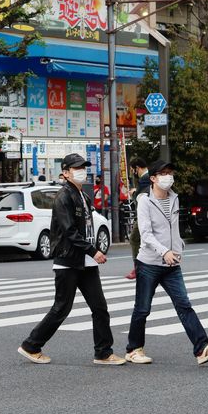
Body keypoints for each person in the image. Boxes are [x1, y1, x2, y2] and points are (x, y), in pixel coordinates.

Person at [18, 153, 124, 366]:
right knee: (61, 308)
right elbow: (69, 231)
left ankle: (103, 352)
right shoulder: (63, 197)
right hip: (69, 261)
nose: (81, 171)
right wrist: (93, 251)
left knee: (99, 307)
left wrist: (91, 253)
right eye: (76, 168)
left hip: (86, 262)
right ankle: (31, 345)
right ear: (65, 173)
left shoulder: (82, 195)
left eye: (83, 167)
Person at [125, 160, 208, 366]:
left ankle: (201, 349)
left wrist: (178, 246)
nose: (168, 177)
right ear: (153, 178)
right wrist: (164, 252)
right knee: (143, 308)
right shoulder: (145, 201)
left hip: (171, 264)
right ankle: (133, 349)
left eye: (170, 173)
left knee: (184, 305)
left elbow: (172, 229)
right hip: (149, 263)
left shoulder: (174, 198)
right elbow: (145, 234)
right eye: (163, 173)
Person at [125, 157, 151, 280]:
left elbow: (140, 197)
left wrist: (134, 192)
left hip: (144, 215)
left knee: (134, 239)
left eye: (132, 170)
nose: (132, 173)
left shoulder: (145, 179)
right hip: (148, 215)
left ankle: (138, 267)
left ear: (137, 168)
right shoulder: (149, 177)